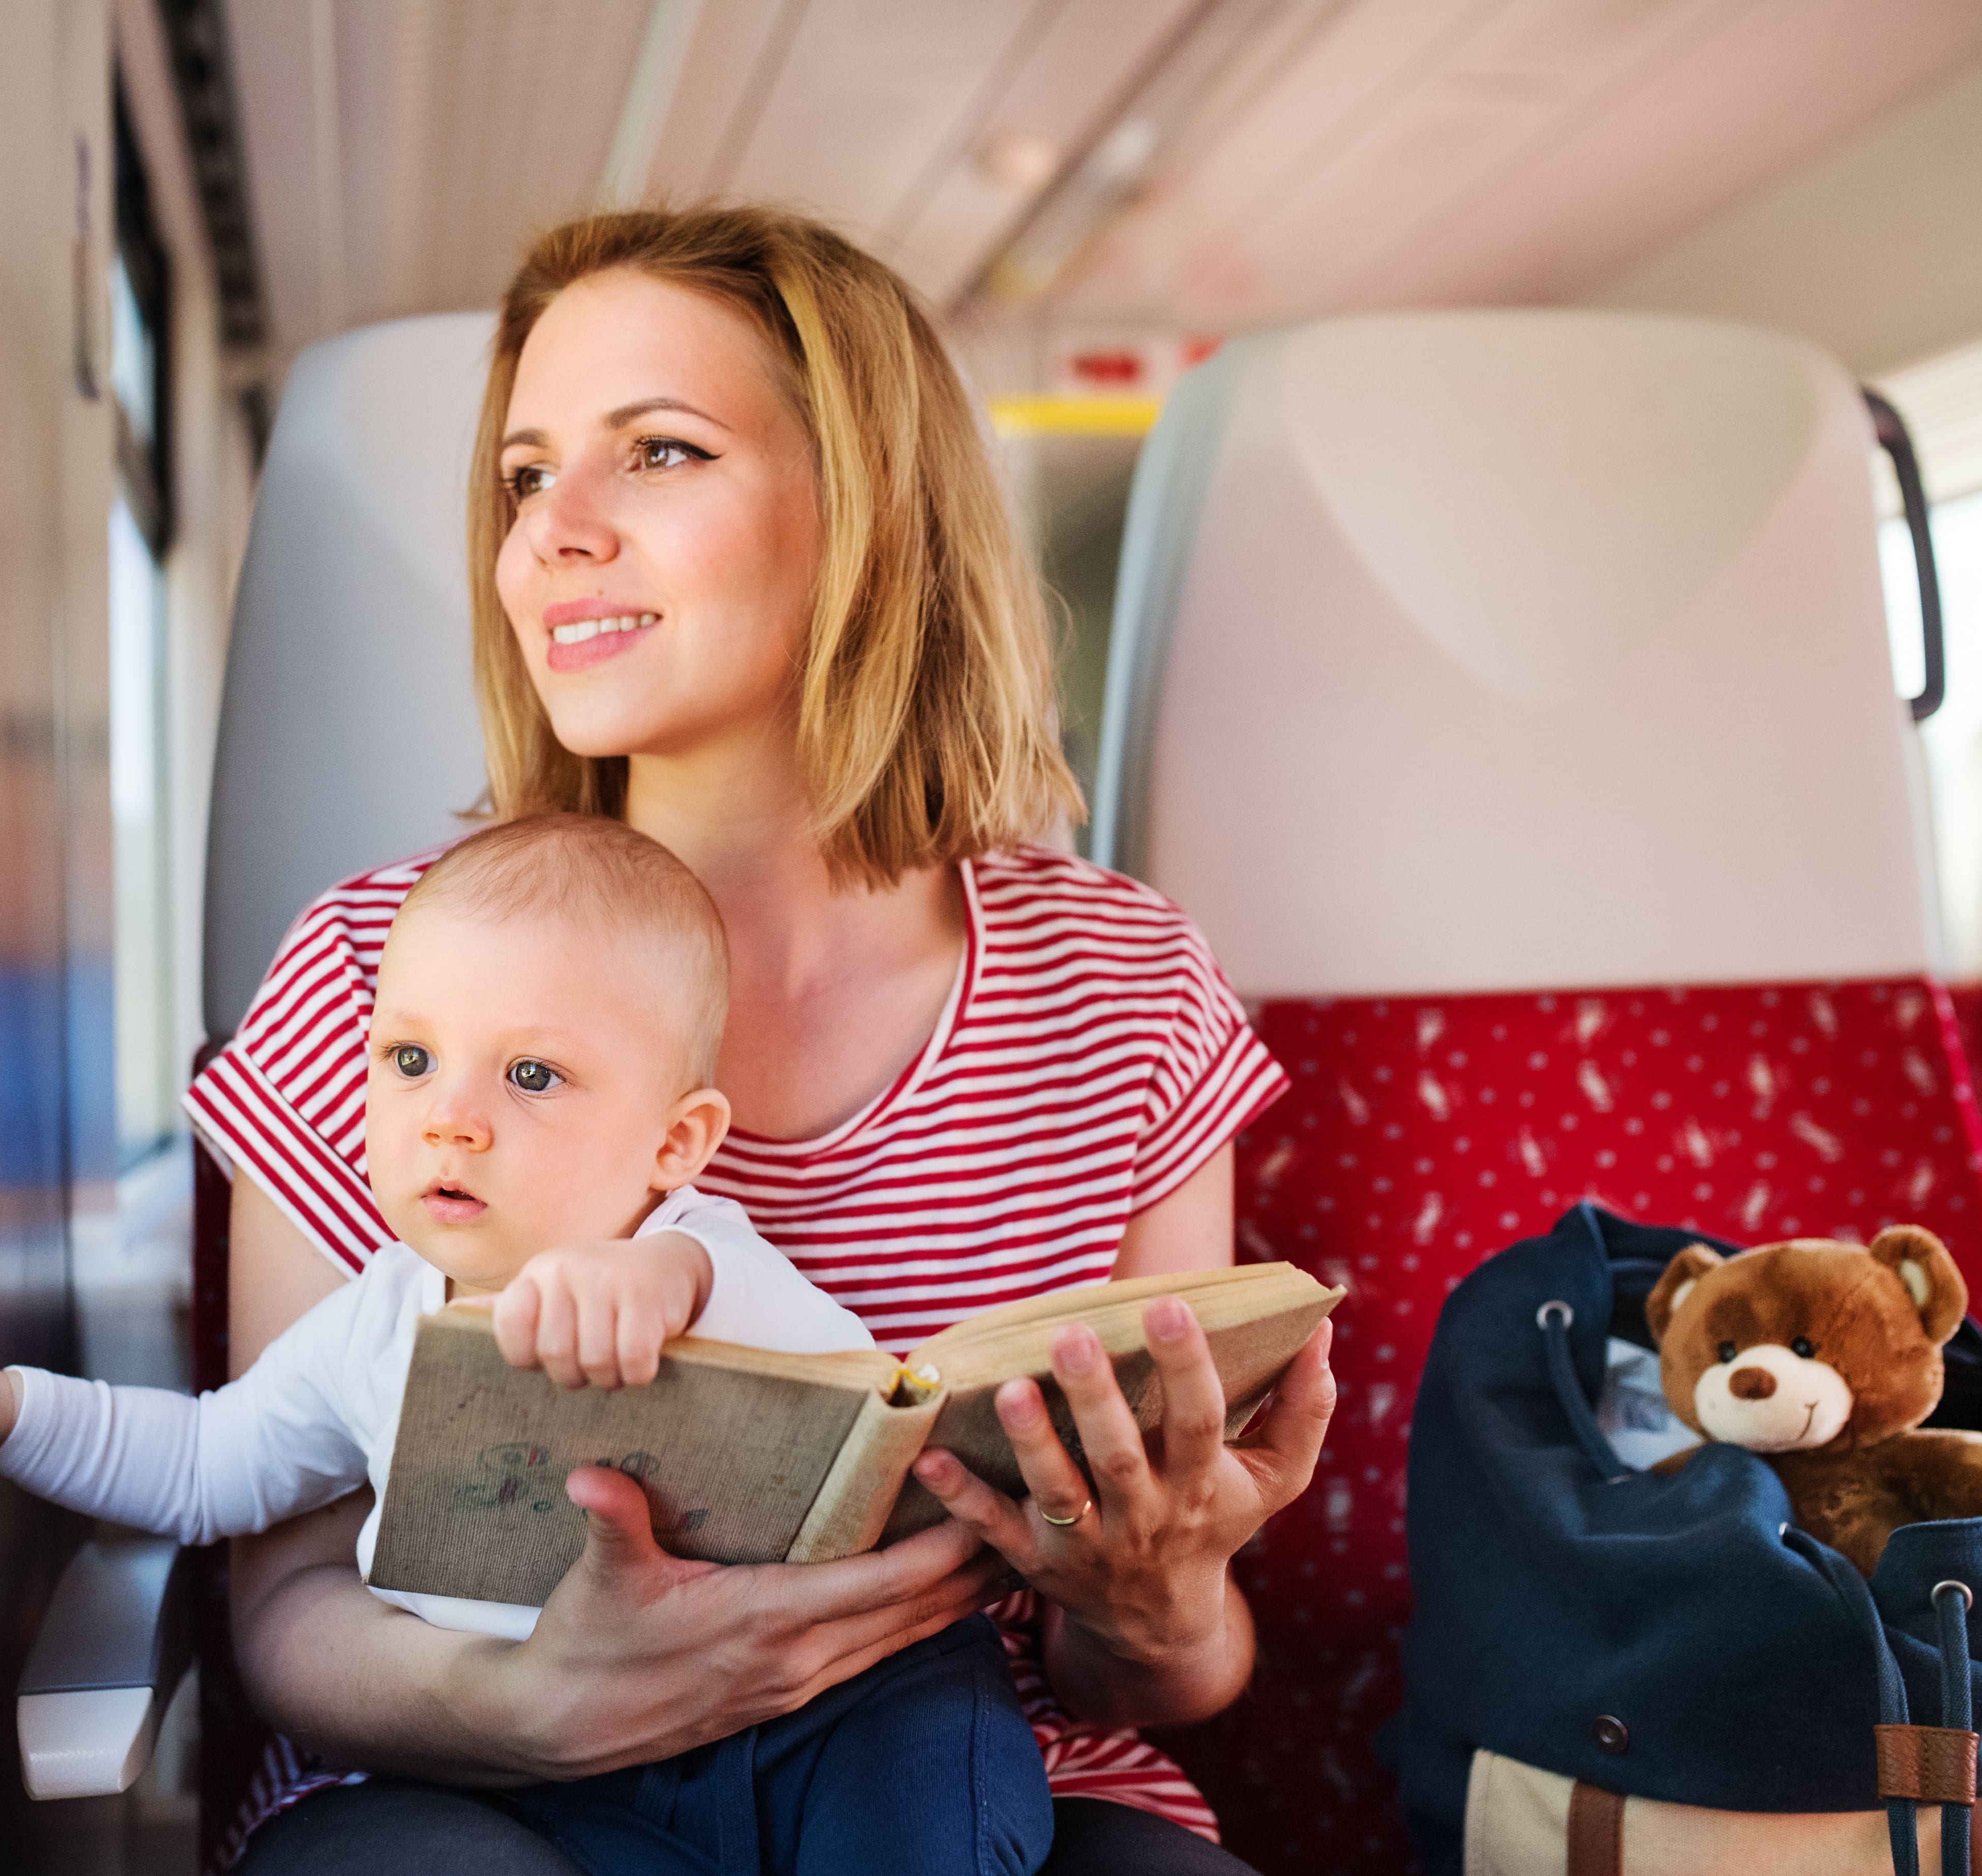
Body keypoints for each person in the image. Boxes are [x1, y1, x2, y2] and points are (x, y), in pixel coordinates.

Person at [191, 202, 1333, 1876]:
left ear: (867, 511)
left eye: (656, 452)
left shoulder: (1124, 982)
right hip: (473, 1783)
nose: (551, 533)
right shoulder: (375, 966)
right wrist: (540, 1706)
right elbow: (284, 1599)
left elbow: (1156, 1680)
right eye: (524, 475)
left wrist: (1157, 1598)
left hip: (965, 1774)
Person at [0, 813, 1056, 1876]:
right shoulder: (376, 1321)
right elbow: (200, 1462)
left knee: (932, 1795)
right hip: (551, 1774)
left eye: (532, 1075)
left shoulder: (695, 1256)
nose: (450, 1118)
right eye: (410, 1058)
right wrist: (4, 1406)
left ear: (675, 1143)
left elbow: (868, 1398)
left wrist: (647, 1281)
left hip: (837, 1715)